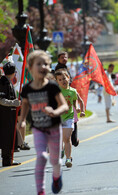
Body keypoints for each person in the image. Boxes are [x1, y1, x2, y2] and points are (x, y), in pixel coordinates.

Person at [18, 50, 69, 195]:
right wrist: (21, 121)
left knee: (55, 160)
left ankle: (57, 176)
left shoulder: (52, 86)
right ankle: (41, 191)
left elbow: (64, 105)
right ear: (30, 68)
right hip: (38, 128)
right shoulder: (27, 89)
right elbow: (25, 105)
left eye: (46, 63)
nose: (43, 66)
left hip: (53, 127)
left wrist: (55, 112)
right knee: (41, 156)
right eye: (38, 64)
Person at [54, 70, 78, 168]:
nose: (63, 81)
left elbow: (74, 101)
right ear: (57, 82)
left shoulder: (73, 91)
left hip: (69, 117)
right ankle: (61, 151)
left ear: (68, 77)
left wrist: (77, 108)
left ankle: (68, 159)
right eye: (60, 80)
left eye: (64, 78)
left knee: (67, 138)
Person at [0, 62, 21, 167]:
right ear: (14, 73)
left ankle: (9, 159)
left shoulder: (8, 82)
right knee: (6, 137)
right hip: (5, 115)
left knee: (9, 137)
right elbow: (1, 100)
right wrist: (13, 103)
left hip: (9, 114)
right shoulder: (3, 82)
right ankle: (7, 160)